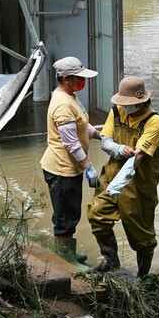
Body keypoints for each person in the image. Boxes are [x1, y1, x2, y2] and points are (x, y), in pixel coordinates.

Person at [87, 76, 159, 277]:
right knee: (97, 213)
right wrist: (119, 149)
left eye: (129, 104)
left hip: (138, 180)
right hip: (112, 172)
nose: (125, 107)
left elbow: (138, 157)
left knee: (140, 233)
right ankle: (111, 261)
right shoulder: (116, 112)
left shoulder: (154, 121)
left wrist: (117, 186)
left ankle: (143, 276)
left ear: (141, 101)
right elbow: (105, 140)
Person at [40, 56, 101, 270]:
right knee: (65, 214)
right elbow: (71, 142)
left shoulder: (70, 96)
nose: (82, 83)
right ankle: (65, 260)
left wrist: (100, 135)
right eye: (78, 79)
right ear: (66, 79)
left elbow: (81, 126)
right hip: (61, 169)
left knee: (71, 210)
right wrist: (88, 166)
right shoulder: (62, 105)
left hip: (68, 168)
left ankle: (68, 252)